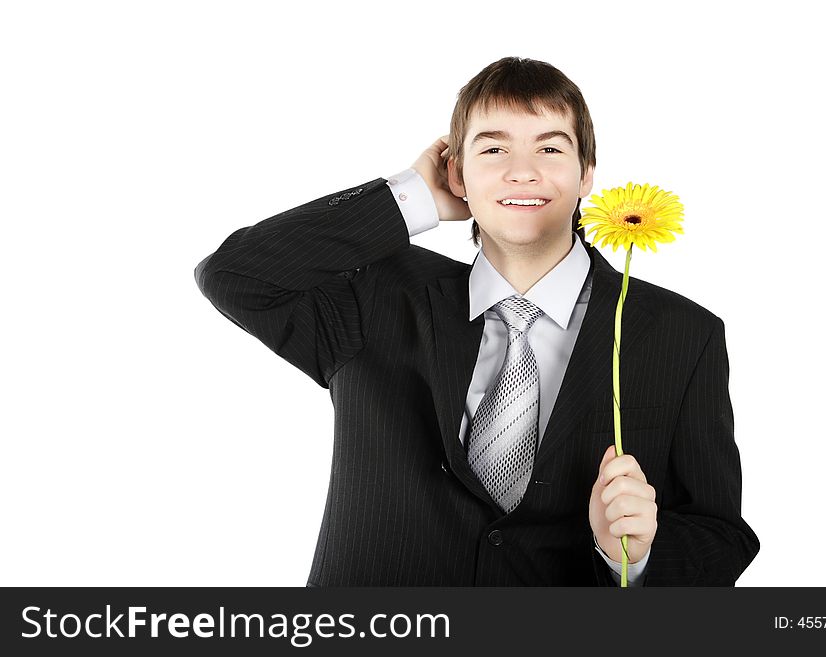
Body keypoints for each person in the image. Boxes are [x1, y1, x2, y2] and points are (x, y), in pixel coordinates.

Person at [193, 56, 760, 586]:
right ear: (456, 174)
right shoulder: (377, 296)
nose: (522, 173)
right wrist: (412, 198)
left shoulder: (683, 335)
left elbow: (722, 537)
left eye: (550, 150)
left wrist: (631, 555)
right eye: (493, 151)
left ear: (587, 174)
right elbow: (236, 275)